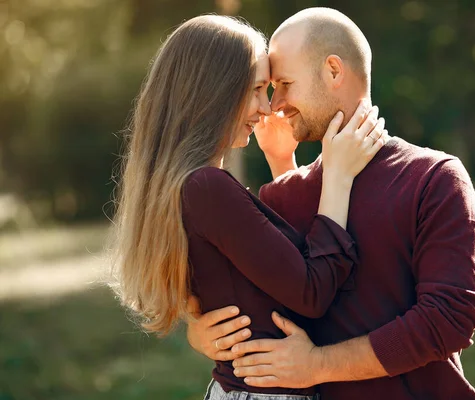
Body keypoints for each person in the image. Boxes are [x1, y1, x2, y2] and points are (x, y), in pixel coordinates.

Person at [186, 8, 475, 400]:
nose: (274, 105)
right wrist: (200, 329)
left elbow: (449, 320)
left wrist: (319, 365)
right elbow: (263, 296)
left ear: (332, 71)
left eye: (285, 84)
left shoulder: (434, 178)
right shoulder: (280, 194)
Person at [108, 14, 388, 400]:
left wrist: (280, 164)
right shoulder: (207, 188)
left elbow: (263, 272)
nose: (267, 107)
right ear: (215, 92)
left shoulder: (187, 185)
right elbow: (311, 292)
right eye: (257, 89)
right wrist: (337, 176)